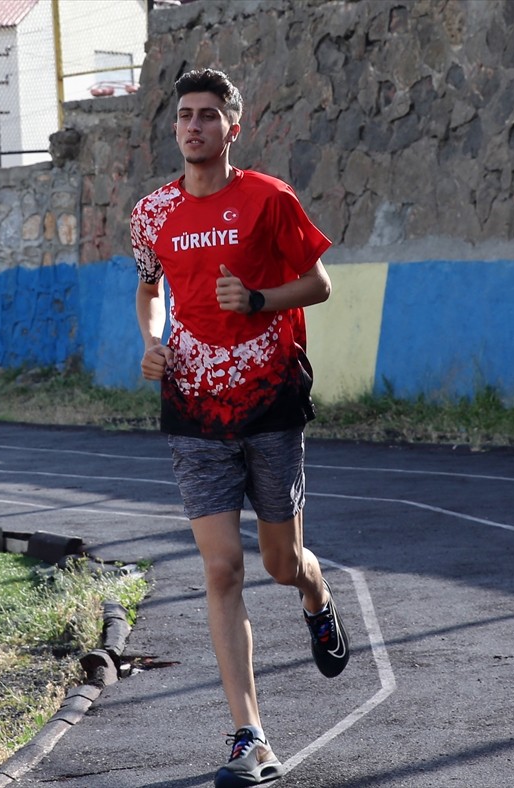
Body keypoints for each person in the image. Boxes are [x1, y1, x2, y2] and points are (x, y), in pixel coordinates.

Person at [131, 67, 350, 788]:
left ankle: (317, 595)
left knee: (280, 564)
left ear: (234, 126)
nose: (193, 126)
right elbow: (148, 286)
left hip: (270, 398)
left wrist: (258, 298)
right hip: (191, 403)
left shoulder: (268, 198)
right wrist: (153, 339)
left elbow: (319, 284)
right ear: (175, 129)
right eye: (184, 116)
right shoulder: (152, 212)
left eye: (207, 116)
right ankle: (249, 737)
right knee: (221, 567)